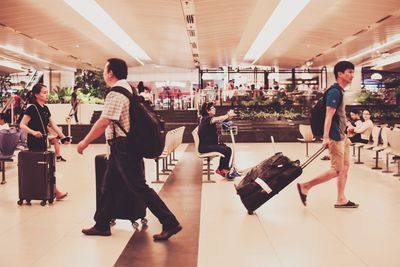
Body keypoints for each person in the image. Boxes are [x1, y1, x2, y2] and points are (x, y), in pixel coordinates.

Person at [78, 58, 182, 240]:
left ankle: (170, 222)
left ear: (110, 72)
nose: (103, 73)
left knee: (139, 187)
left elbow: (104, 121)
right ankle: (102, 224)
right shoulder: (129, 89)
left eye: (104, 69)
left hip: (124, 147)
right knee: (108, 186)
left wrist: (84, 141)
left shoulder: (116, 92)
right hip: (124, 146)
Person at [296, 61, 359, 208]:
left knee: (344, 168)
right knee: (337, 169)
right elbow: (328, 116)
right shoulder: (334, 91)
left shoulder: (340, 91)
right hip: (335, 136)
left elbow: (339, 115)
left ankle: (341, 199)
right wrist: (326, 137)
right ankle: (305, 186)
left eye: (353, 72)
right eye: (349, 72)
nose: (352, 75)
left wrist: (347, 127)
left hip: (342, 136)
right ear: (340, 74)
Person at [19, 83, 68, 200]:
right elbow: (22, 125)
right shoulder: (32, 108)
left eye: (47, 92)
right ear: (36, 94)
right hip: (34, 142)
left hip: (43, 141)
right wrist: (33, 132)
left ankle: (53, 191)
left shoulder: (45, 108)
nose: (47, 95)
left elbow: (53, 124)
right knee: (44, 168)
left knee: (47, 167)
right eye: (44, 92)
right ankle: (55, 192)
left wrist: (63, 136)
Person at [198, 102, 236, 178]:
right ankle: (222, 169)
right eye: (212, 108)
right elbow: (217, 119)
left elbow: (219, 120)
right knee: (227, 150)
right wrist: (227, 115)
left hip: (208, 145)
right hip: (205, 146)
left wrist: (228, 117)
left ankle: (223, 168)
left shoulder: (207, 119)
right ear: (208, 111)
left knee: (225, 148)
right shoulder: (206, 119)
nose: (215, 109)